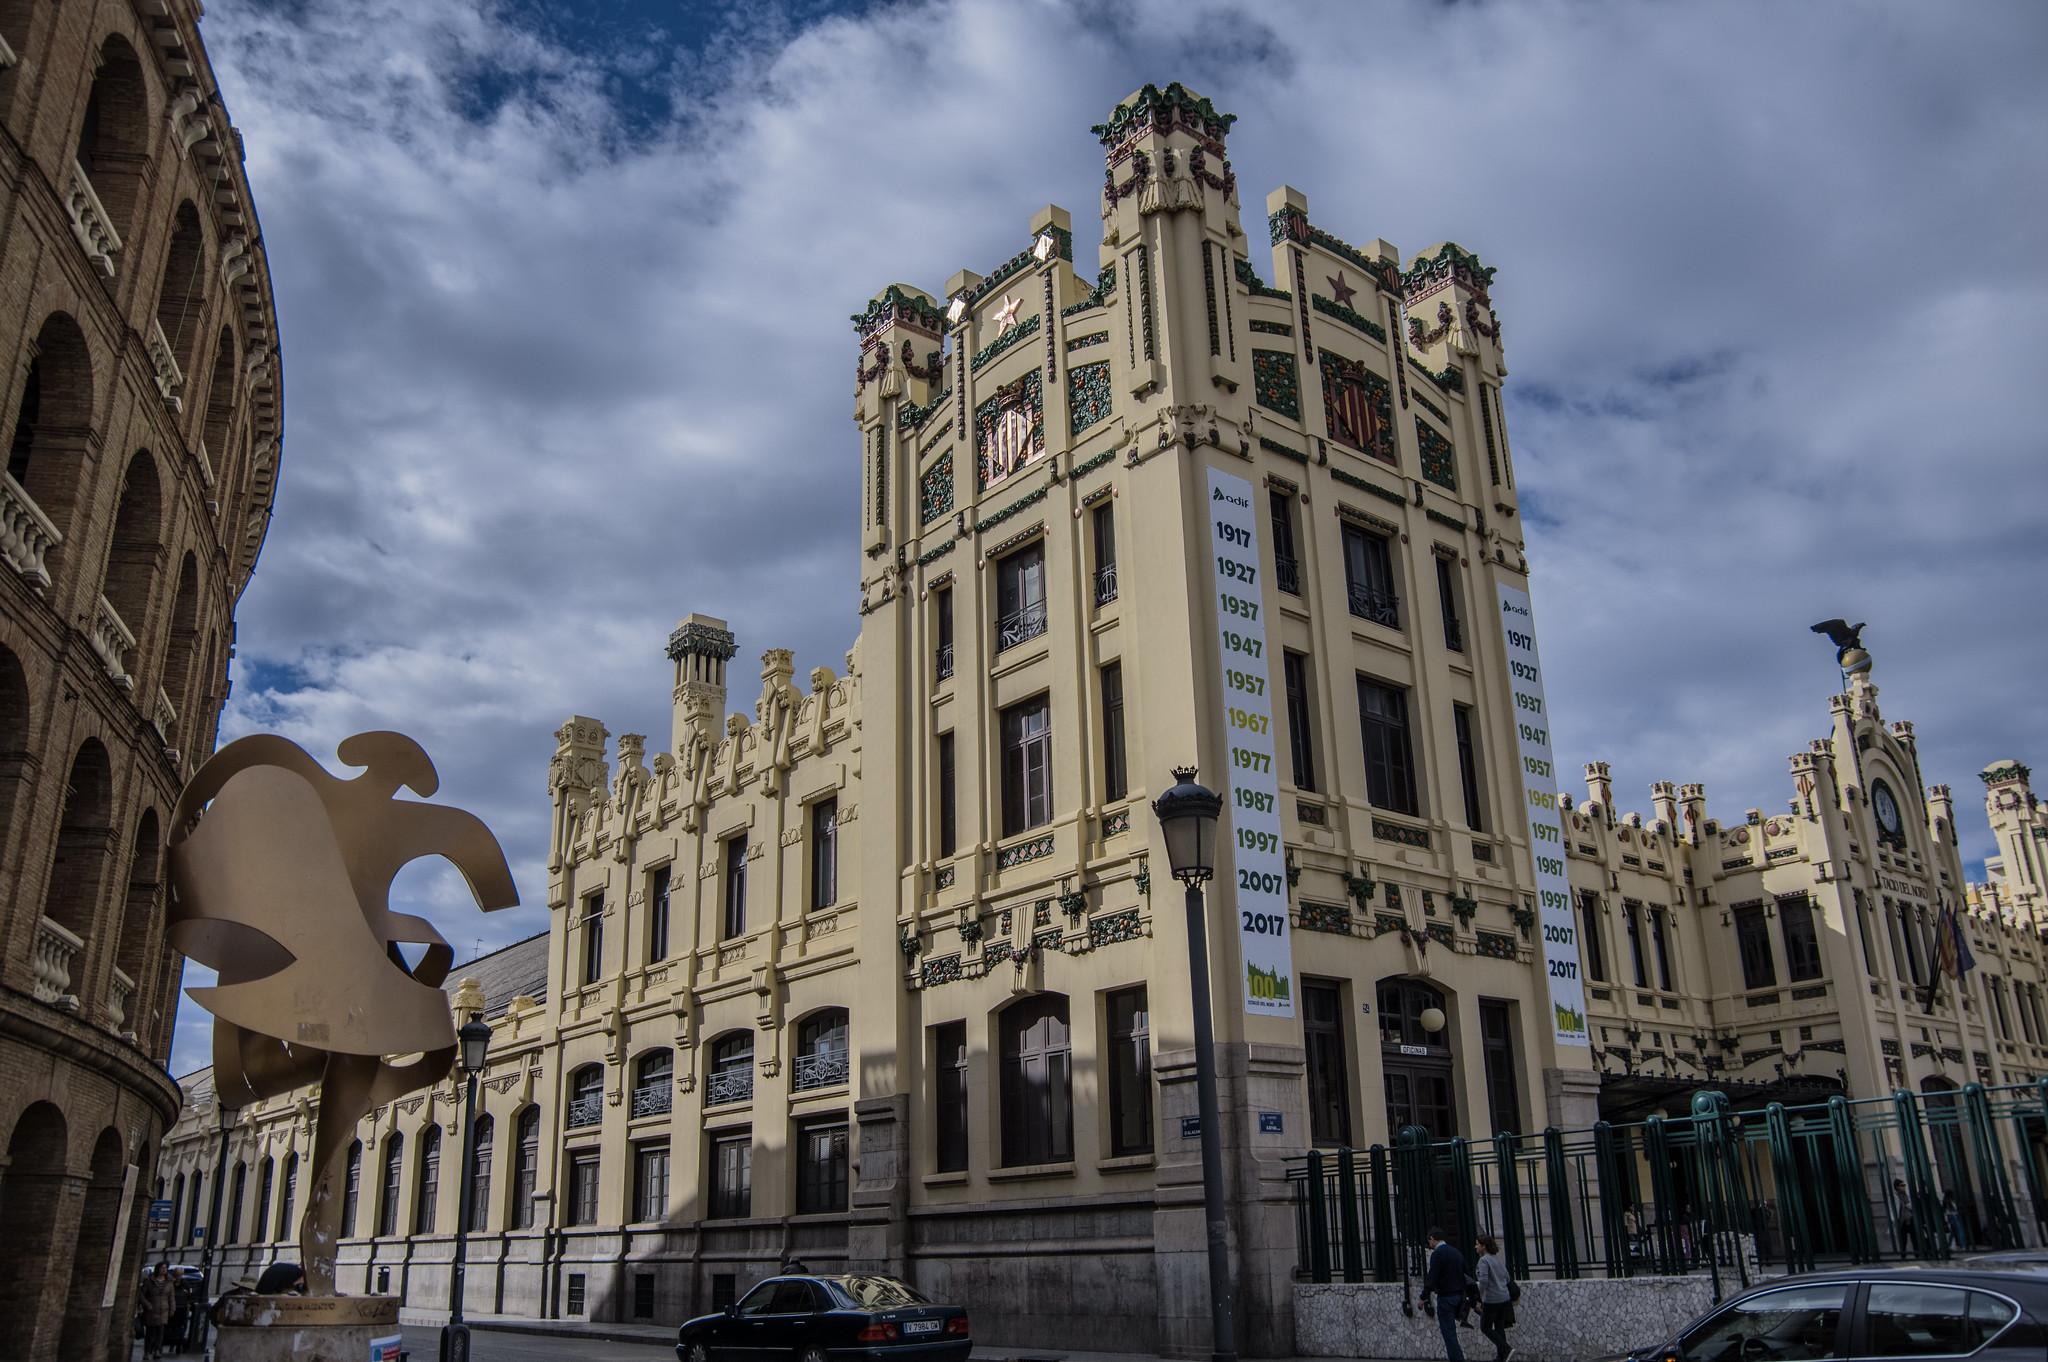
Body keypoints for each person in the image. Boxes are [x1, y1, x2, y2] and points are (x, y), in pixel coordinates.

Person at [1420, 1226, 1468, 1362]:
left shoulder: (1437, 1254)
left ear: (1432, 1238)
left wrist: (1423, 1296)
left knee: (1449, 1333)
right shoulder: (1456, 1252)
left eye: (1429, 1241)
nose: (1429, 1244)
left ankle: (1457, 1359)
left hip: (1446, 1297)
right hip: (1459, 1296)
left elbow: (1432, 1277)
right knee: (1451, 1332)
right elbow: (1465, 1273)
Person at [1475, 1235, 1515, 1362]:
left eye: (1477, 1244)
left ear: (1483, 1246)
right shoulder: (1497, 1259)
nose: (1475, 1247)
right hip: (1504, 1298)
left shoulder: (1483, 1261)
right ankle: (1501, 1356)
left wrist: (1480, 1298)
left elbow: (1483, 1281)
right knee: (1499, 1327)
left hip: (1491, 1299)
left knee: (1485, 1327)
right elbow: (1507, 1278)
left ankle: (1506, 1349)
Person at [139, 1263, 175, 1360]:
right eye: (162, 1268)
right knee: (150, 1332)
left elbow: (171, 1297)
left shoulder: (169, 1282)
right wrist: (147, 1305)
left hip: (163, 1310)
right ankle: (147, 1351)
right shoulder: (149, 1281)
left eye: (166, 1268)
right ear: (157, 1269)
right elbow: (141, 1295)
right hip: (152, 1310)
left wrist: (172, 1309)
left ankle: (157, 1350)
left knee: (160, 1332)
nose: (164, 1270)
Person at [1892, 1178, 1920, 1255]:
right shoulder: (1895, 1196)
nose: (1904, 1187)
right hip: (1901, 1221)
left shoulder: (1906, 1194)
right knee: (1903, 1239)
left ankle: (1917, 1253)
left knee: (1914, 1237)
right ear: (1897, 1187)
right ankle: (1903, 1254)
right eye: (1902, 1185)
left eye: (1904, 1185)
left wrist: (1908, 1205)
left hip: (1910, 1219)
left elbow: (1911, 1206)